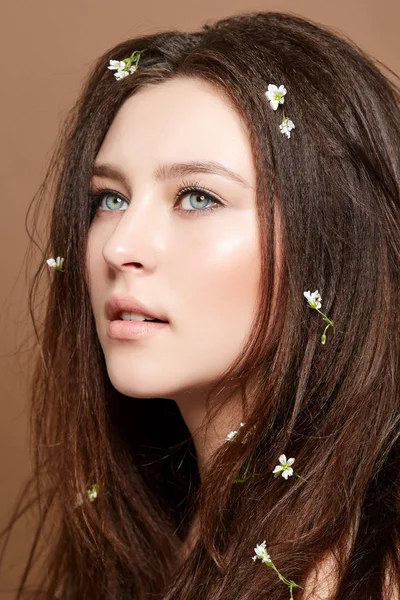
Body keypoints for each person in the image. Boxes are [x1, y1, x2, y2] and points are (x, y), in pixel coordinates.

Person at [1, 9, 399, 600]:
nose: (119, 246)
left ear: (334, 243)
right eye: (110, 198)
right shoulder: (184, 542)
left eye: (196, 196)